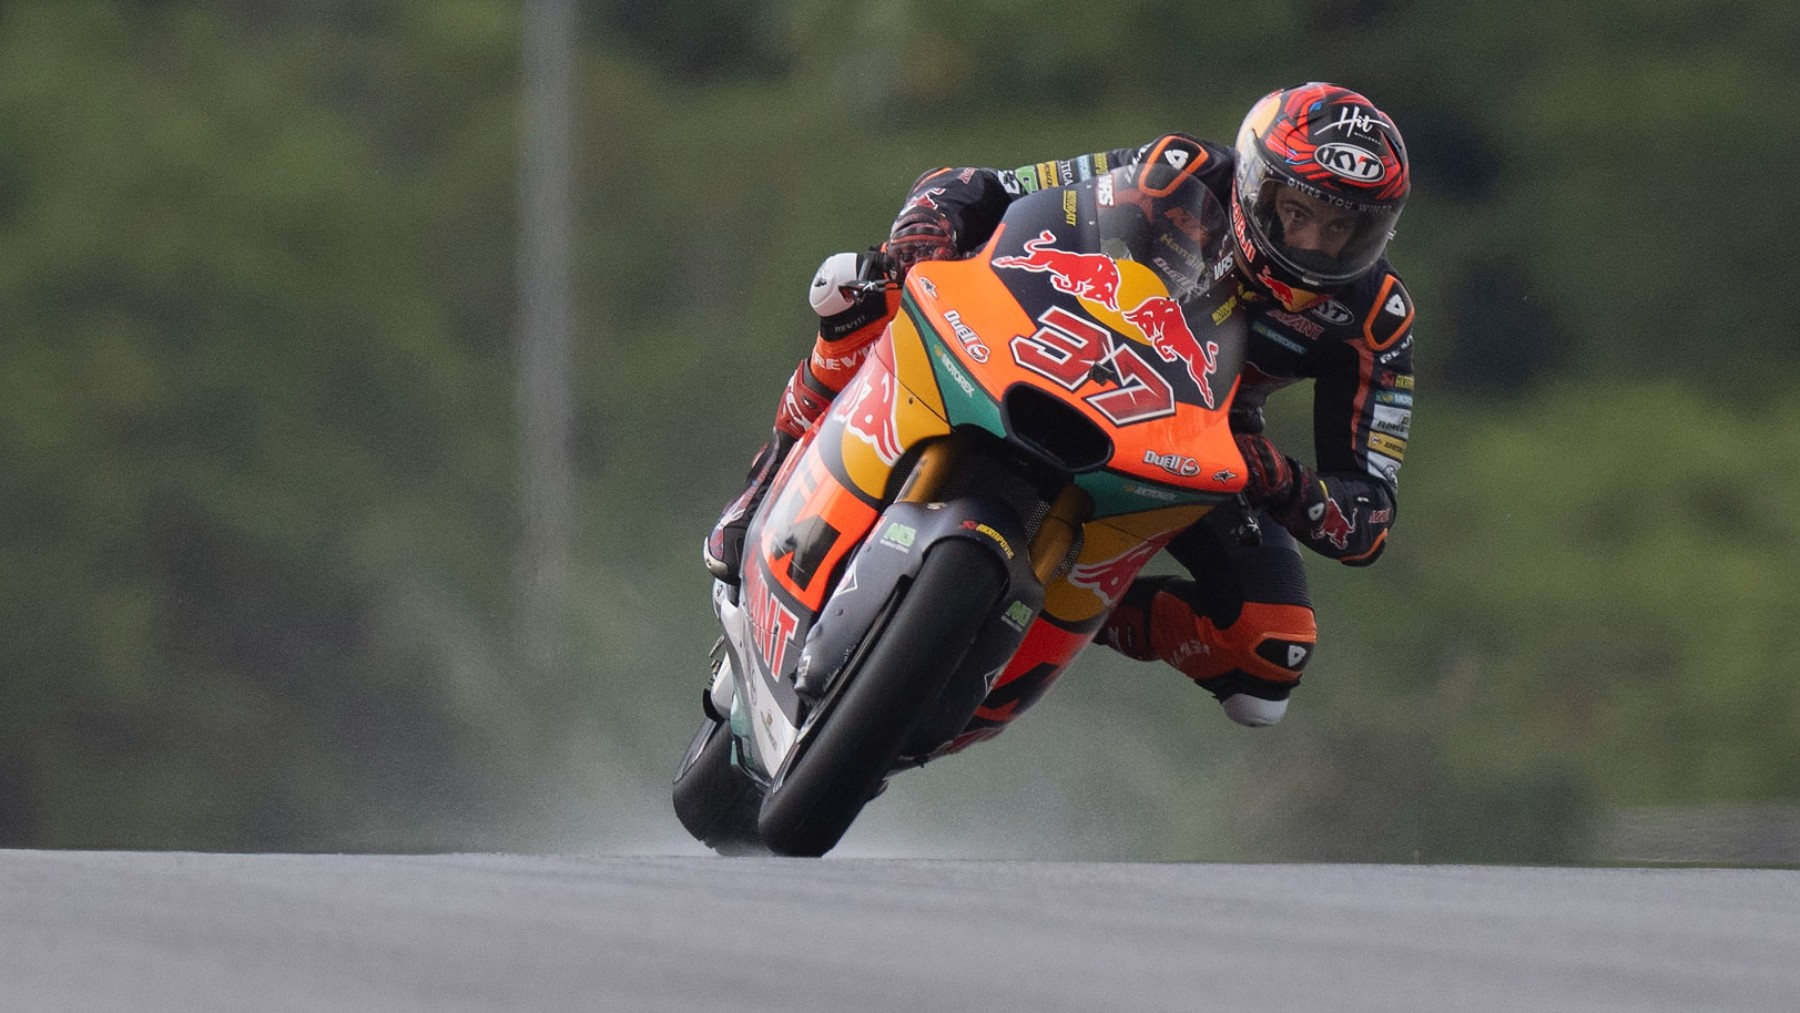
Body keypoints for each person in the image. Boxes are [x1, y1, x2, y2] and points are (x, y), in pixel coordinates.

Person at [704, 82, 1414, 728]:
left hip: (1194, 440)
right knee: (859, 292)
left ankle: (1088, 607)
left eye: (1342, 230)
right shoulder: (1176, 169)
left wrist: (1285, 480)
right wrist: (923, 237)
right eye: (1298, 212)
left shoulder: (1375, 318)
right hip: (1050, 337)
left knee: (1271, 656)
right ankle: (764, 485)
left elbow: (1369, 513)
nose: (1315, 243)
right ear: (1259, 187)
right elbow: (985, 189)